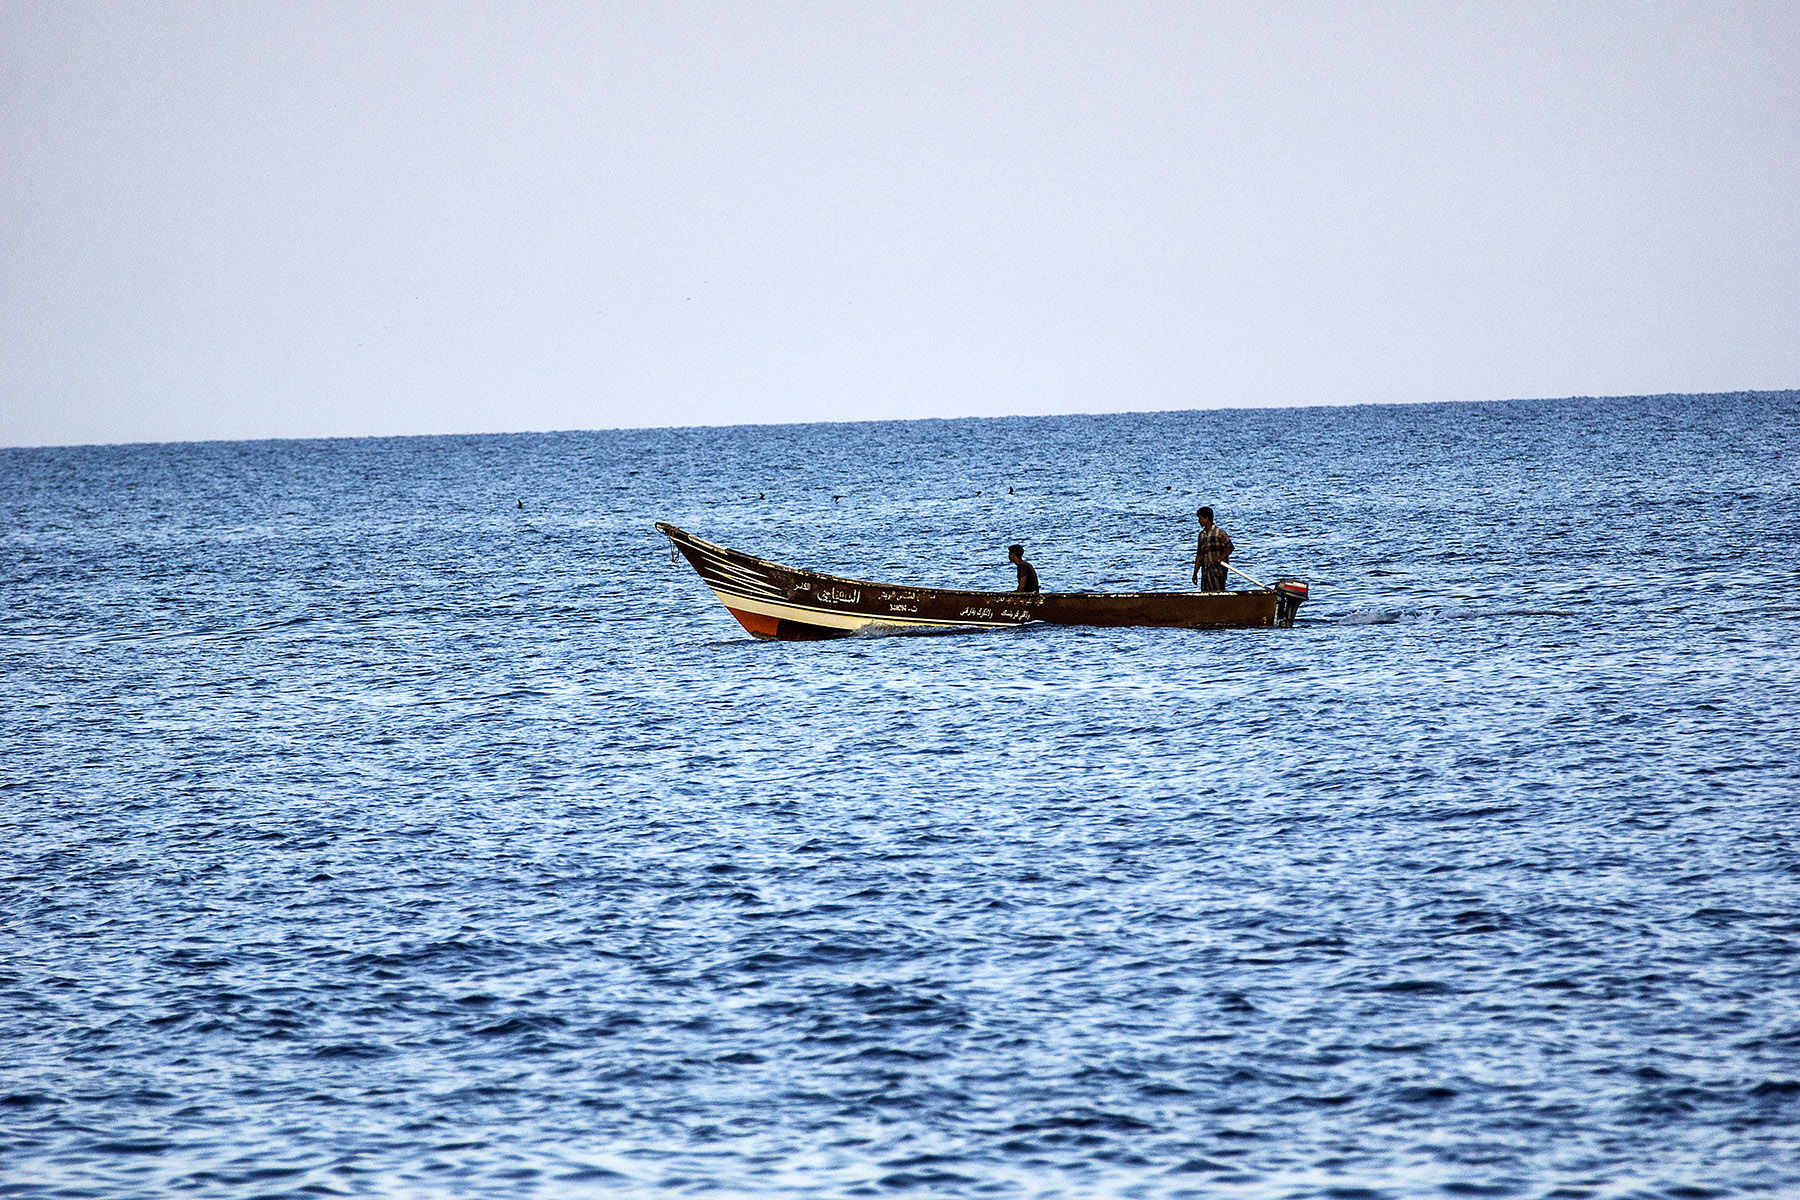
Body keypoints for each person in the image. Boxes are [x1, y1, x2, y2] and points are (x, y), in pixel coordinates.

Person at [1191, 506, 1234, 592]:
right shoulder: (1201, 535)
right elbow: (1199, 554)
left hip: (1217, 572)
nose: (1199, 521)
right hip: (1205, 573)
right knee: (1205, 596)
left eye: (1200, 518)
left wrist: (1221, 557)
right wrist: (1195, 573)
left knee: (1218, 594)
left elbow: (1230, 547)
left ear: (1206, 518)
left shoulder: (1219, 533)